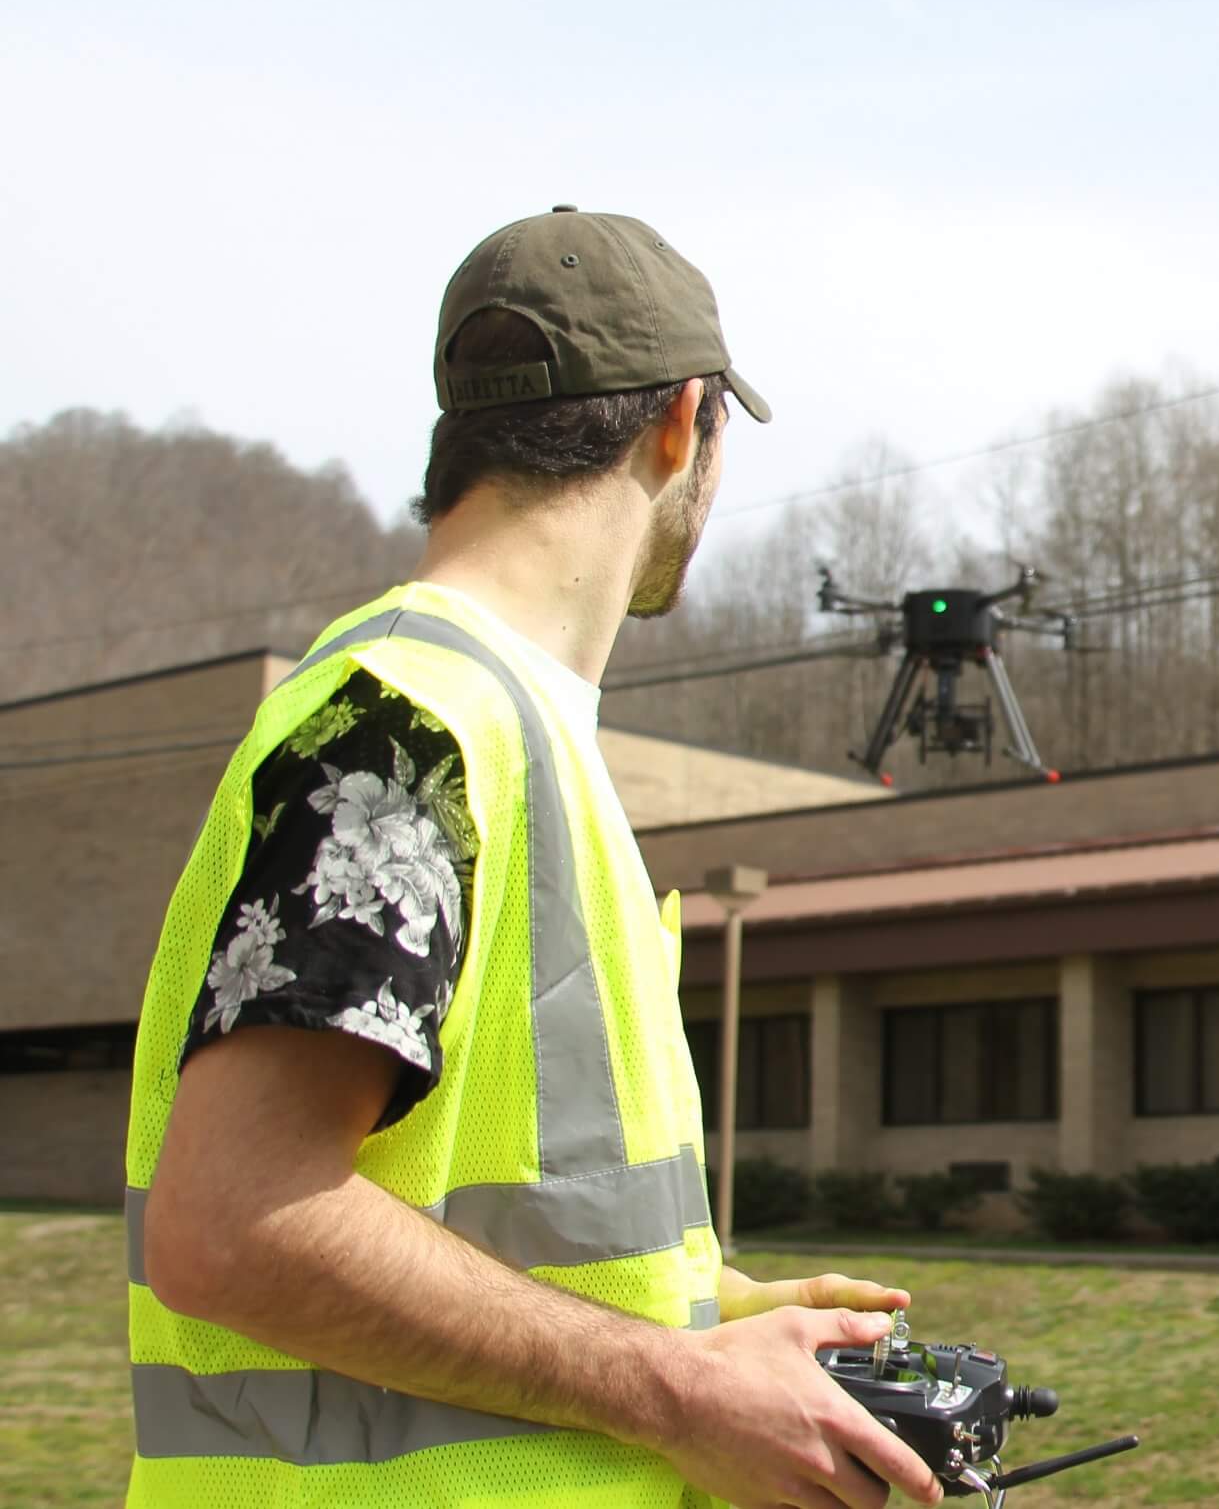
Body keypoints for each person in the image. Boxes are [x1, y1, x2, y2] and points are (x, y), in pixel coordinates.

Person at [123, 206, 942, 1508]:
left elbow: (451, 1212)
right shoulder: (412, 722)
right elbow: (235, 1229)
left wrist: (700, 1315)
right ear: (685, 425)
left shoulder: (495, 728)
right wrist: (678, 1390)